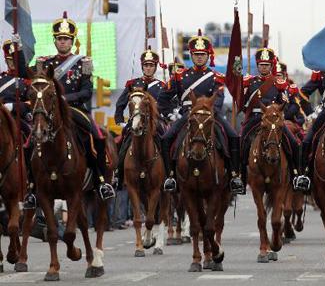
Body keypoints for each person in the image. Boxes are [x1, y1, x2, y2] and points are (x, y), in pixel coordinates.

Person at [30, 11, 114, 208]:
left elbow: (86, 91)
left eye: (66, 39)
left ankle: (101, 181)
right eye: (59, 39)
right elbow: (30, 81)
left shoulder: (82, 62)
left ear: (72, 41)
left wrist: (63, 99)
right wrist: (18, 52)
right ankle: (32, 187)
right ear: (54, 40)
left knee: (98, 137)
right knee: (28, 143)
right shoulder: (44, 63)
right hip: (49, 112)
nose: (63, 42)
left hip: (75, 109)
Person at [159, 30, 244, 194]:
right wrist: (171, 113)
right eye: (196, 54)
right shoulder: (179, 76)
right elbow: (163, 98)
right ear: (191, 55)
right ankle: (170, 176)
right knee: (166, 138)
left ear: (208, 55)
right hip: (187, 115)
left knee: (233, 136)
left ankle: (234, 175)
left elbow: (218, 98)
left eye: (203, 54)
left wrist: (209, 111)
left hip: (210, 115)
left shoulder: (216, 76)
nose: (199, 57)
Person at [240, 48, 303, 191]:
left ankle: (296, 174)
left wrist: (275, 114)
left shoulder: (279, 84)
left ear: (271, 66)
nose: (264, 67)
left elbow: (285, 104)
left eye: (267, 65)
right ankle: (240, 177)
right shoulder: (249, 82)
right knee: (242, 141)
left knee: (293, 142)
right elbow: (243, 105)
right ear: (257, 65)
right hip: (256, 117)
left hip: (274, 120)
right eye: (261, 64)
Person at [114, 48, 169, 190]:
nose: (148, 68)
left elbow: (168, 106)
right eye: (146, 65)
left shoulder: (162, 86)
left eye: (151, 65)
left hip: (155, 122)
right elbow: (120, 105)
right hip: (136, 121)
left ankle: (169, 175)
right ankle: (118, 175)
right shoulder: (132, 84)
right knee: (124, 143)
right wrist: (120, 121)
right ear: (142, 66)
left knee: (165, 140)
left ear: (155, 67)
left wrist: (168, 115)